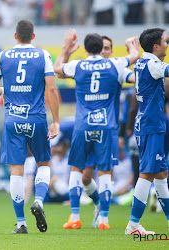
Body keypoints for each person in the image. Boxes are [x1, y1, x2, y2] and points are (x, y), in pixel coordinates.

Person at [54, 30, 140, 230]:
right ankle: (104, 219)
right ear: (102, 49)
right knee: (105, 172)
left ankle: (75, 216)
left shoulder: (78, 65)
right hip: (106, 125)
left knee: (76, 169)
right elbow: (135, 56)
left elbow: (57, 68)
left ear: (85, 49)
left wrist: (67, 47)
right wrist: (130, 45)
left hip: (83, 125)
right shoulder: (114, 64)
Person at [0, 19, 60, 234]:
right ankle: (38, 200)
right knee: (43, 164)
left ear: (15, 36)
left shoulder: (3, 56)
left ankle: (21, 223)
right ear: (33, 36)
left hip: (12, 120)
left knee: (16, 172)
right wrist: (55, 121)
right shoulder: (42, 55)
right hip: (36, 118)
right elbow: (52, 89)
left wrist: (0, 90)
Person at [81, 35, 136, 227]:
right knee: (85, 178)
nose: (104, 51)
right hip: (88, 128)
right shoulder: (86, 70)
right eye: (102, 48)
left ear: (112, 52)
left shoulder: (116, 68)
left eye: (108, 48)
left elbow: (133, 78)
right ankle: (97, 203)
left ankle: (104, 216)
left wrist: (121, 134)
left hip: (110, 130)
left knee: (106, 173)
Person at [125, 28, 169, 235]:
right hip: (152, 125)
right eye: (165, 41)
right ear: (155, 46)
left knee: (161, 174)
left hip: (148, 123)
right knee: (147, 173)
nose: (167, 45)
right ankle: (133, 225)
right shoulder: (153, 64)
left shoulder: (142, 62)